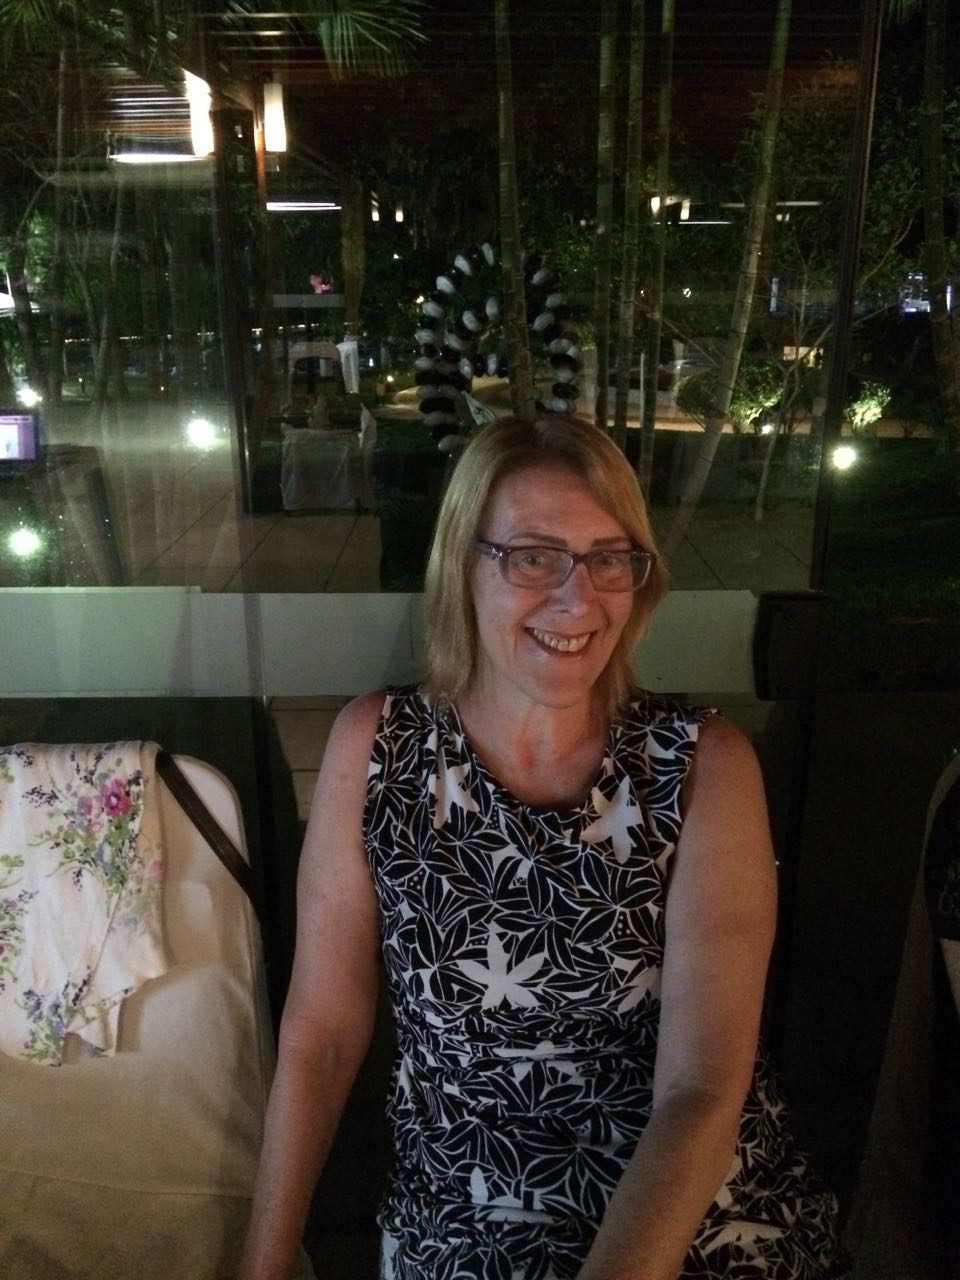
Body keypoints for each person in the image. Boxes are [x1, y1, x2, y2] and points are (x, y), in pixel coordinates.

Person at [240, 414, 845, 1280]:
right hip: (463, 1214)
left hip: (693, 1214)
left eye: (609, 558)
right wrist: (262, 1264)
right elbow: (321, 1036)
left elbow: (702, 1087)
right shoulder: (377, 749)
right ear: (464, 566)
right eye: (533, 557)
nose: (577, 597)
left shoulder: (702, 767)